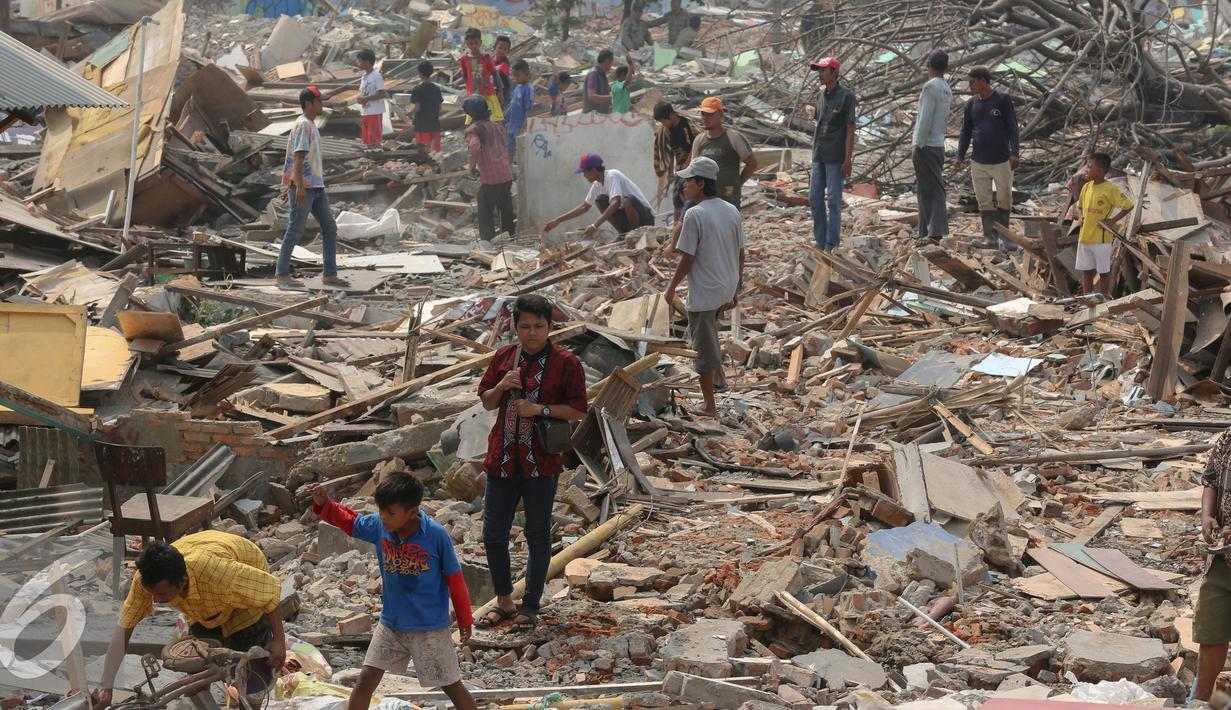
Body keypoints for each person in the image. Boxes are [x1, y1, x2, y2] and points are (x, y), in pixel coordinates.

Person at [306, 474, 478, 710]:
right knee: (365, 681)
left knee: (451, 685)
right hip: (391, 624)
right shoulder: (380, 526)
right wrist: (325, 504)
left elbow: (455, 579)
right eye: (381, 511)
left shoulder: (436, 535)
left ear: (412, 511)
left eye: (390, 513)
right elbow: (352, 523)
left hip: (428, 628)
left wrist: (465, 618)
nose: (383, 517)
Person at [476, 294, 587, 633]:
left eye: (539, 326)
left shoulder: (566, 363)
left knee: (537, 534)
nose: (532, 333)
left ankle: (531, 605)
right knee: (493, 534)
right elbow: (486, 402)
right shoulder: (503, 357)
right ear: (515, 326)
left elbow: (578, 410)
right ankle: (504, 601)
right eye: (525, 326)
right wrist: (501, 386)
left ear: (550, 326)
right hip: (502, 459)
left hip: (541, 462)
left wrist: (540, 409)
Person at [92, 532, 286, 710]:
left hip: (246, 586)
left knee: (250, 677)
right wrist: (106, 686)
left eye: (162, 594)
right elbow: (124, 628)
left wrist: (279, 641)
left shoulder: (219, 573)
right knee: (196, 672)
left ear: (182, 581)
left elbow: (269, 592)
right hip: (207, 602)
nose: (156, 600)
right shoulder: (146, 579)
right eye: (153, 594)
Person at [664, 157, 745, 418]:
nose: (684, 186)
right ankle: (719, 378)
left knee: (702, 349)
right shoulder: (731, 210)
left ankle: (709, 406)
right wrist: (736, 287)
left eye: (689, 181)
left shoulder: (695, 214)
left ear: (701, 183)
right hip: (725, 288)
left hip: (706, 292)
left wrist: (670, 288)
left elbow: (687, 257)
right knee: (710, 335)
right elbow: (741, 252)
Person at [276, 86, 347, 290]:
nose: (322, 104)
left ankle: (330, 274)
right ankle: (282, 275)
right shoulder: (303, 125)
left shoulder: (311, 124)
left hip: (316, 187)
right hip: (305, 188)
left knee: (329, 227)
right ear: (308, 104)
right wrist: (297, 186)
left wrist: (292, 183)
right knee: (295, 230)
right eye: (319, 101)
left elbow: (297, 159)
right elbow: (298, 158)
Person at [955, 65, 1020, 248]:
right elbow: (965, 132)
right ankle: (989, 238)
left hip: (1001, 160)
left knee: (1005, 197)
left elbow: (1012, 127)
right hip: (978, 161)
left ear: (983, 81)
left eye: (972, 82)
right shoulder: (971, 104)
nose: (970, 86)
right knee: (983, 200)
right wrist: (960, 156)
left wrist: (1015, 152)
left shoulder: (1002, 100)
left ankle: (1005, 237)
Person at [1194, 428, 1231, 703]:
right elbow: (1211, 480)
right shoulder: (1228, 439)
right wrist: (1207, 516)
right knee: (1212, 628)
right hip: (1223, 557)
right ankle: (1200, 698)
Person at [542, 153, 655, 238]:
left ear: (593, 170)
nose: (584, 176)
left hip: (645, 219)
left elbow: (616, 202)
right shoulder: (597, 185)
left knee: (627, 201)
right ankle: (623, 234)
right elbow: (584, 207)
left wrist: (594, 226)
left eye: (585, 172)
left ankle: (635, 236)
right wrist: (558, 220)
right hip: (628, 220)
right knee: (600, 200)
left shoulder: (612, 175)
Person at [808, 56, 855, 251]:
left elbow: (850, 129)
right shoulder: (820, 96)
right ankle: (820, 241)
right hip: (819, 155)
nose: (820, 74)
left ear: (834, 72)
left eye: (823, 70)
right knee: (814, 199)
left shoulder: (846, 96)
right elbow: (819, 125)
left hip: (835, 157)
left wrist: (847, 159)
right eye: (819, 70)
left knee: (834, 202)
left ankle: (831, 243)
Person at [1075, 152, 1132, 298]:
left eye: (1089, 167)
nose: (1085, 170)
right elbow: (1079, 206)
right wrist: (1080, 216)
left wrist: (1111, 221)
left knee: (1103, 272)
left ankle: (1104, 298)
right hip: (1084, 237)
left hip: (1101, 239)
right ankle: (1087, 298)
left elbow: (1128, 206)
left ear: (1100, 171)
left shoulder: (1110, 189)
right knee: (1087, 271)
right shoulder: (1086, 187)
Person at [912, 50, 952, 241]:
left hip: (926, 144)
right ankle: (925, 231)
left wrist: (918, 144)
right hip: (938, 143)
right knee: (926, 188)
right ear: (946, 67)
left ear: (928, 65)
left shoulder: (930, 87)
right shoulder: (946, 88)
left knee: (932, 189)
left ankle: (935, 231)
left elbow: (925, 119)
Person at [464, 96, 515, 244]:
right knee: (505, 209)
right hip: (505, 174)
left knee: (485, 211)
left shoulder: (474, 130)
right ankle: (511, 239)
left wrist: (471, 167)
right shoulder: (497, 126)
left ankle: (487, 242)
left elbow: (474, 147)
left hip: (491, 179)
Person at [691, 97, 757, 209]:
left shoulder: (733, 137)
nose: (705, 118)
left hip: (728, 200)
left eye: (709, 114)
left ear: (720, 114)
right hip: (705, 201)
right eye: (703, 114)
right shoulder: (699, 140)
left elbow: (752, 164)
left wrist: (738, 183)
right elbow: (694, 169)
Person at [653, 101, 699, 221]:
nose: (663, 124)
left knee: (689, 195)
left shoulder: (687, 124)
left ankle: (690, 221)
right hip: (681, 168)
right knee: (677, 198)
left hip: (695, 166)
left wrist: (687, 164)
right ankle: (677, 224)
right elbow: (670, 152)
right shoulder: (667, 131)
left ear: (671, 115)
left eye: (664, 121)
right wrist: (670, 173)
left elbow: (697, 145)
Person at [459, 28, 505, 123]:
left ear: (480, 42)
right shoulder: (464, 59)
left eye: (476, 43)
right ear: (466, 43)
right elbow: (465, 76)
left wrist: (500, 91)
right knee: (474, 122)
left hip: (487, 94)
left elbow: (495, 73)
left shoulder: (486, 57)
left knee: (493, 120)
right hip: (473, 96)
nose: (474, 46)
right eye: (470, 43)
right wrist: (468, 90)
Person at [408, 60, 443, 153]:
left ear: (420, 74)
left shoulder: (417, 89)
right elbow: (440, 108)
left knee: (423, 152)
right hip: (434, 125)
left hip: (422, 126)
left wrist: (409, 113)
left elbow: (417, 108)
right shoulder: (436, 89)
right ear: (431, 73)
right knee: (435, 152)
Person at [356, 49, 387, 150]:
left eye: (360, 61)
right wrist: (361, 98)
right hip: (366, 112)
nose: (358, 64)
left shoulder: (376, 76)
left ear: (367, 62)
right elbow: (363, 92)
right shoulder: (364, 77)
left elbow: (383, 93)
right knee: (368, 141)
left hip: (374, 112)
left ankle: (377, 158)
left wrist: (366, 98)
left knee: (375, 141)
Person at [505, 59, 535, 159]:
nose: (515, 78)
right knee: (509, 148)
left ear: (526, 73)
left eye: (517, 75)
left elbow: (528, 110)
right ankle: (508, 167)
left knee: (521, 151)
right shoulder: (518, 87)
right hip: (511, 124)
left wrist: (523, 127)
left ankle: (522, 168)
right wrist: (506, 119)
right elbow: (512, 105)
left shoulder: (528, 89)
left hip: (519, 126)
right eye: (514, 75)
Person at [583, 50, 614, 114]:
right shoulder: (594, 74)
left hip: (600, 114)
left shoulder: (601, 74)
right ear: (607, 61)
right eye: (611, 62)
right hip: (593, 116)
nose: (611, 65)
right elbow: (592, 97)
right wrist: (612, 97)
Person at [492, 35, 512, 106]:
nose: (502, 51)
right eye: (500, 48)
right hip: (493, 91)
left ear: (508, 51)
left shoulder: (505, 63)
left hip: (503, 93)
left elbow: (495, 71)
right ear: (494, 47)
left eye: (505, 49)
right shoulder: (491, 59)